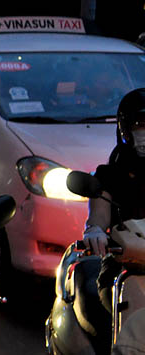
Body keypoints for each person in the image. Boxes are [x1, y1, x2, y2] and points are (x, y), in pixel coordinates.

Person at [77, 88, 145, 352]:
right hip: (124, 271)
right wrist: (95, 230)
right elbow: (99, 213)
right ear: (125, 129)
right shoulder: (109, 175)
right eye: (140, 124)